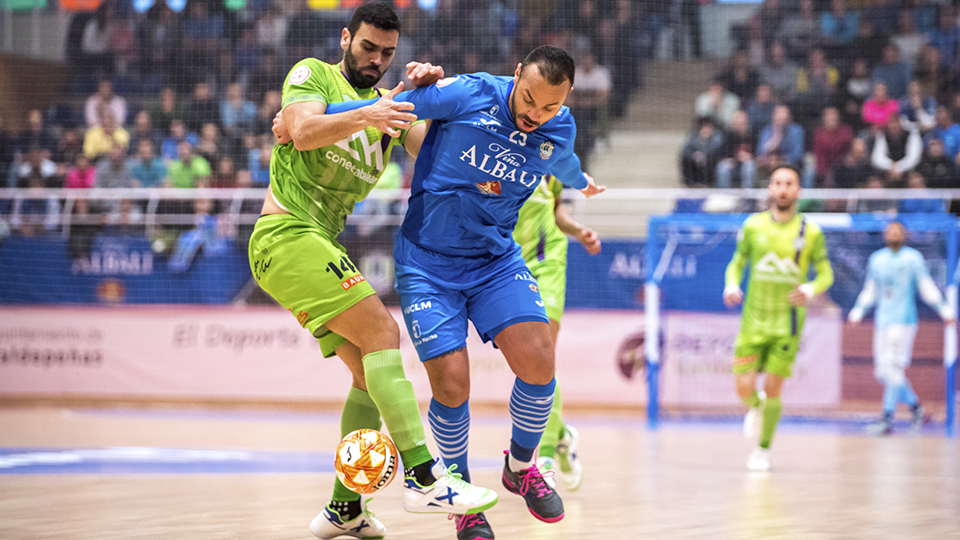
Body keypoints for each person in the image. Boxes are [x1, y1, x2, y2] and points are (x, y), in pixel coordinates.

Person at [320, 45, 605, 540]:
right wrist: (315, 116)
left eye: (549, 107)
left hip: (495, 262)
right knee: (452, 384)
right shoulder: (471, 92)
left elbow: (565, 161)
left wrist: (582, 182)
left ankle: (520, 468)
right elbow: (388, 108)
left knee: (539, 360)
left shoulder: (559, 127)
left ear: (567, 99)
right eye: (529, 99)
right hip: (428, 265)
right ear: (516, 75)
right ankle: (462, 500)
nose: (534, 115)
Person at [255, 4, 498, 540]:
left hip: (312, 244)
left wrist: (434, 95)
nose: (377, 59)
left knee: (369, 374)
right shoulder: (312, 74)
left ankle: (345, 508)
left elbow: (438, 149)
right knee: (385, 333)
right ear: (346, 38)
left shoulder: (391, 106)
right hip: (285, 233)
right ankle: (423, 476)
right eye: (368, 47)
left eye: (388, 53)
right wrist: (370, 114)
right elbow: (300, 129)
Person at [723, 165, 834, 471]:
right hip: (753, 322)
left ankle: (762, 450)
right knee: (743, 388)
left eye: (789, 183)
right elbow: (737, 261)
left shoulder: (811, 232)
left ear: (798, 191)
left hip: (788, 324)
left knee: (774, 388)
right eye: (777, 183)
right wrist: (732, 284)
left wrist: (811, 289)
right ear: (770, 189)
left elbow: (826, 273)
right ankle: (757, 408)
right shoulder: (753, 226)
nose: (783, 189)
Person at [512, 176, 600, 494]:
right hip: (504, 268)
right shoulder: (489, 149)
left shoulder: (550, 157)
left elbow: (555, 211)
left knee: (542, 358)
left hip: (548, 262)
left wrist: (578, 231)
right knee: (525, 367)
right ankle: (562, 435)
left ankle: (544, 461)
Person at [848, 221, 955, 435]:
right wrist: (857, 311)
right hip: (882, 321)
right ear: (885, 235)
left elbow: (926, 286)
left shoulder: (912, 258)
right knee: (882, 372)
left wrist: (945, 310)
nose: (894, 234)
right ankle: (918, 409)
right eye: (890, 231)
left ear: (903, 234)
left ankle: (887, 418)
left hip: (904, 322)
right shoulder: (876, 259)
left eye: (898, 230)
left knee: (892, 369)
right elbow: (871, 289)